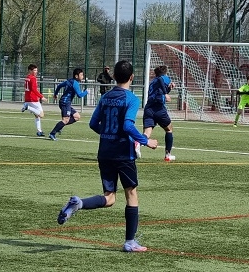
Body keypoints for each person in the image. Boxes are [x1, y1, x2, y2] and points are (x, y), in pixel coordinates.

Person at [56, 59, 158, 251]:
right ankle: (130, 242)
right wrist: (146, 141)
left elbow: (93, 124)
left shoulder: (106, 97)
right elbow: (127, 125)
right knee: (131, 194)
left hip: (104, 152)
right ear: (132, 77)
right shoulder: (132, 99)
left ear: (114, 76)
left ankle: (79, 203)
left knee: (109, 198)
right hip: (123, 153)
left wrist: (108, 134)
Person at [142, 65, 175, 161]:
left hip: (149, 109)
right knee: (169, 129)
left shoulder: (153, 82)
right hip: (159, 109)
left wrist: (169, 89)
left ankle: (137, 145)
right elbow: (161, 82)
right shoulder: (163, 78)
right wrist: (166, 93)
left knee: (147, 133)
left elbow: (159, 90)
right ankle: (168, 155)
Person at [48, 68, 88, 141]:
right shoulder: (75, 83)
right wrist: (86, 92)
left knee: (77, 117)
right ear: (76, 76)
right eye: (81, 75)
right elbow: (79, 95)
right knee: (66, 120)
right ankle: (52, 133)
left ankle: (60, 127)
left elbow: (59, 86)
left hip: (65, 103)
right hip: (65, 103)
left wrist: (55, 94)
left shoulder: (69, 81)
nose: (83, 76)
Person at [20, 63, 47, 137]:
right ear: (30, 70)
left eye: (36, 70)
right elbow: (34, 89)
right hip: (33, 99)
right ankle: (27, 107)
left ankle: (39, 131)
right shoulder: (33, 78)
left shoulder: (27, 77)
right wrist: (41, 97)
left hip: (28, 98)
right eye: (34, 70)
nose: (36, 72)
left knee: (37, 116)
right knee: (41, 115)